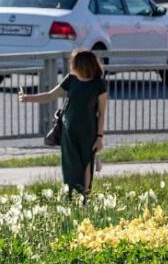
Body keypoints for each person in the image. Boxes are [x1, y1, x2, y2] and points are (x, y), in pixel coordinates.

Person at [19, 49, 109, 198]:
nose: (72, 66)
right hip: (69, 129)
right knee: (70, 163)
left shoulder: (98, 84)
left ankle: (85, 195)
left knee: (87, 160)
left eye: (74, 63)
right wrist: (27, 98)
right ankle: (71, 194)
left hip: (88, 130)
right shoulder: (71, 79)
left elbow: (101, 113)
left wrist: (99, 137)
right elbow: (50, 95)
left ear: (83, 64)